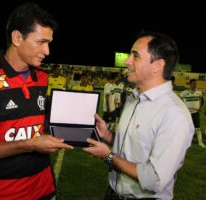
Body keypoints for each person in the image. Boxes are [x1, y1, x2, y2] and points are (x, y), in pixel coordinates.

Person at [0, 3, 73, 200]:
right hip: (4, 193)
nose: (47, 51)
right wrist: (27, 145)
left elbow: (37, 126)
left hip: (45, 189)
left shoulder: (42, 77)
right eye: (41, 42)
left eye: (49, 43)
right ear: (17, 38)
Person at [83, 31, 194, 200]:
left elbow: (154, 179)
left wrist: (109, 156)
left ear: (158, 65)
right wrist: (107, 135)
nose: (127, 61)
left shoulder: (174, 114)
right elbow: (131, 147)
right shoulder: (133, 98)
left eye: (135, 56)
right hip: (112, 193)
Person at [180, 79, 205, 148]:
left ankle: (200, 142)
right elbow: (179, 100)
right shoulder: (184, 92)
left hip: (195, 113)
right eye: (194, 83)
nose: (195, 85)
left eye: (196, 84)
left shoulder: (199, 92)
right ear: (190, 84)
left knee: (198, 128)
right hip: (187, 114)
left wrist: (200, 107)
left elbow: (202, 100)